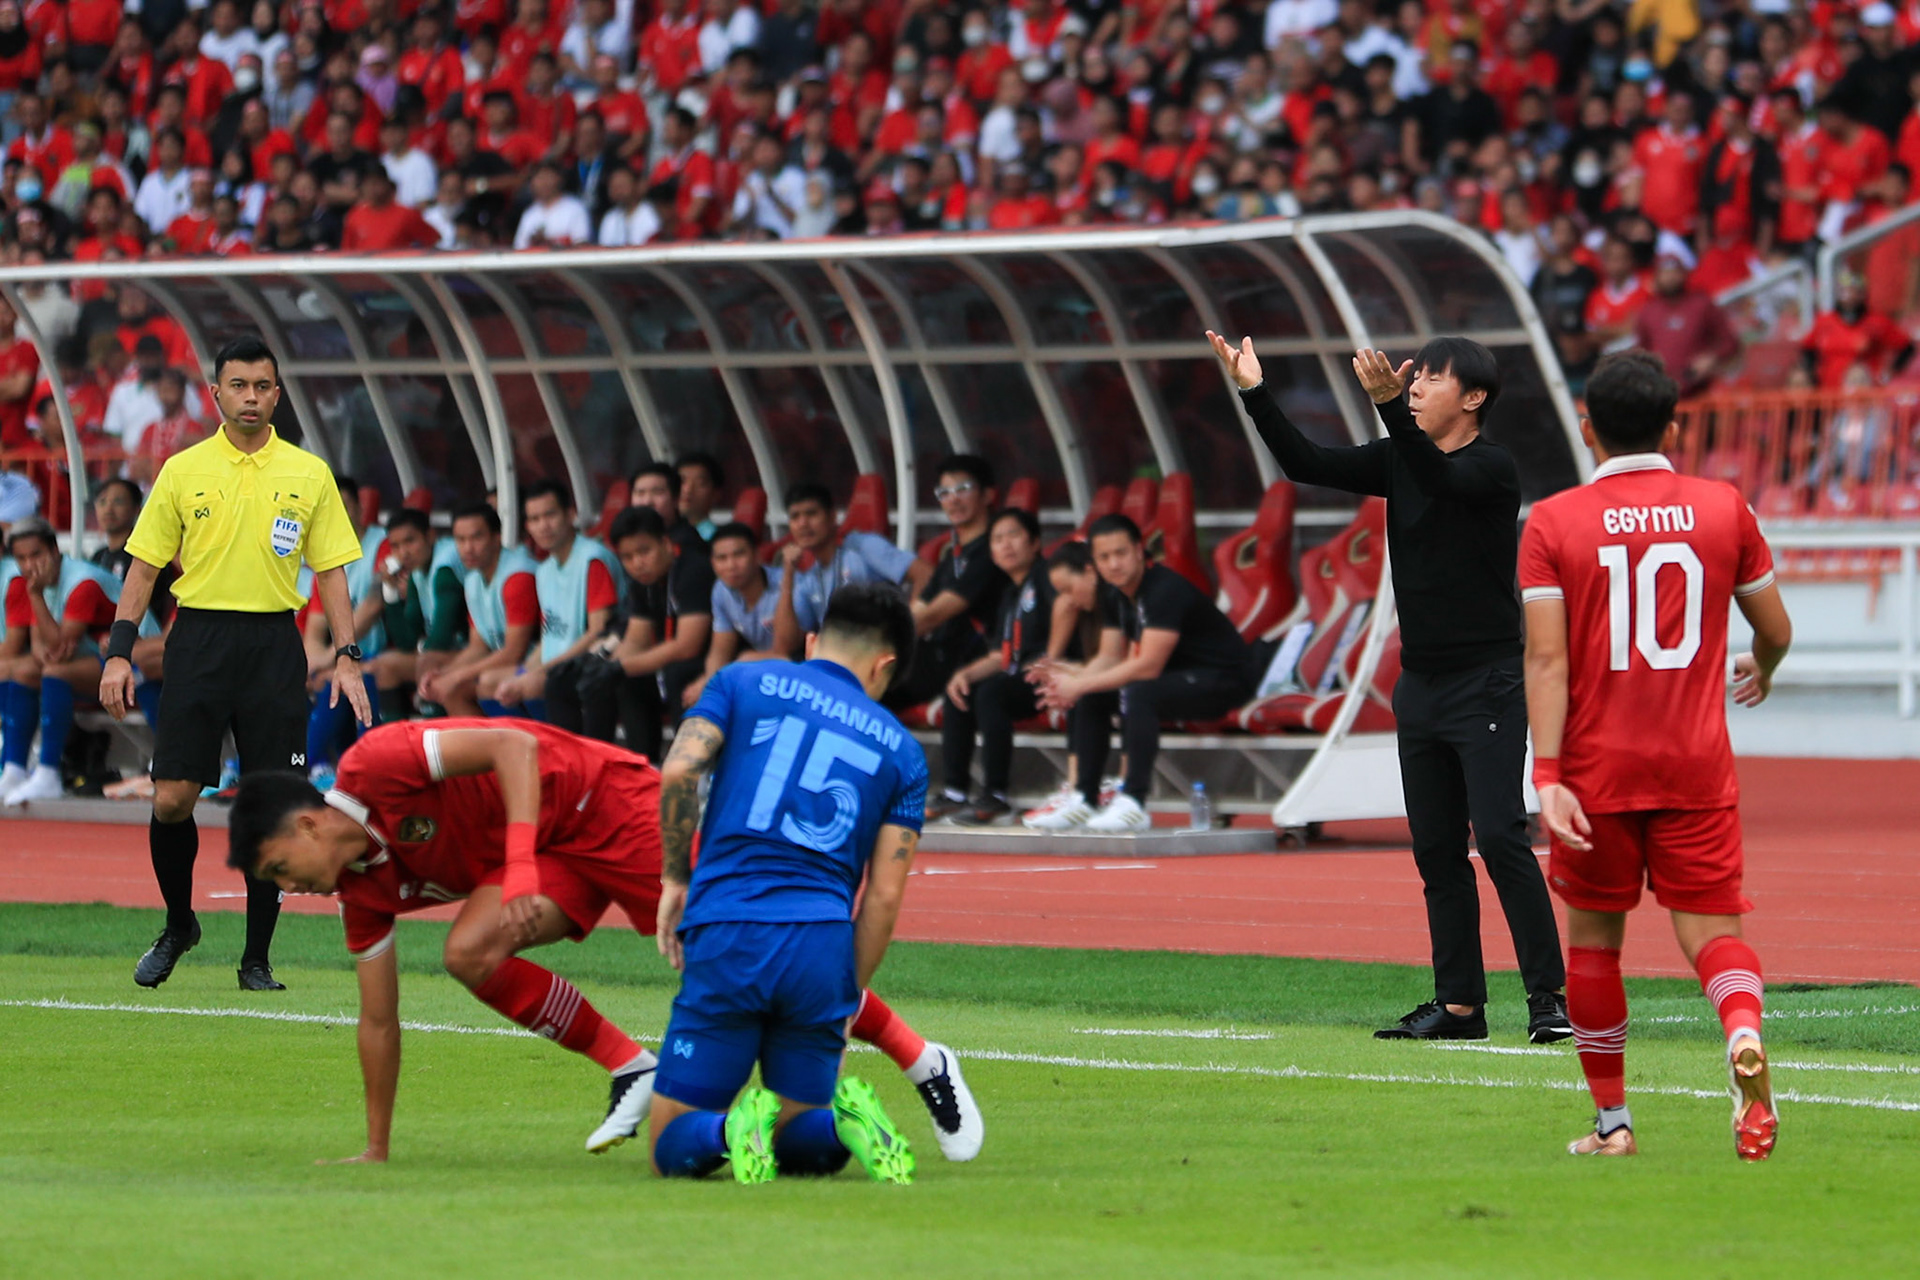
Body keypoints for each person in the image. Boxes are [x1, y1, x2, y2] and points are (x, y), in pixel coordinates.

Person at [1209, 329, 1570, 1045]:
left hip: (1486, 681)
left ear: (1473, 399)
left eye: (1430, 379)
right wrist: (1254, 389)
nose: (1415, 386)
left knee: (1499, 836)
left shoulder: (1493, 468)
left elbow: (1440, 478)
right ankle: (1461, 1007)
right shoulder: (1401, 455)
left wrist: (1388, 415)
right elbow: (1302, 460)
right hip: (1424, 685)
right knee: (1435, 848)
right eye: (1413, 379)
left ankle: (1548, 1001)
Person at [1519, 350, 1792, 1160]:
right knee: (1712, 933)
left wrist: (1546, 773)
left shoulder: (1554, 521)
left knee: (1595, 943)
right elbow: (1774, 630)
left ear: (1586, 425)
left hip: (1597, 772)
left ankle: (1614, 1124)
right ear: (1674, 426)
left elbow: (1546, 660)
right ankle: (1741, 1031)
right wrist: (1764, 668)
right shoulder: (1722, 507)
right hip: (1696, 765)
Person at [649, 582, 979, 1182]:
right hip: (820, 946)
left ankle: (727, 1130)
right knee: (802, 1150)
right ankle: (844, 1125)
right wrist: (847, 992)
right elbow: (883, 895)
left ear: (810, 642)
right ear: (884, 666)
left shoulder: (740, 682)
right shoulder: (903, 753)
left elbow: (679, 770)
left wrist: (675, 878)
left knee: (671, 1143)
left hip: (729, 929)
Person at [225, 720, 668, 1162]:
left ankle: (713, 1092)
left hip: (602, 799)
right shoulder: (360, 897)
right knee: (469, 953)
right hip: (550, 852)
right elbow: (378, 1021)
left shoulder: (376, 763)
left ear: (307, 827)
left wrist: (517, 865)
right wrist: (376, 1149)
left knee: (713, 944)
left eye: (279, 868)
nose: (288, 884)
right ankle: (632, 1066)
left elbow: (512, 745)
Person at [99, 335, 373, 993]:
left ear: (277, 394)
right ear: (216, 392)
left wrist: (347, 657)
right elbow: (143, 568)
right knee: (172, 798)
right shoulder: (182, 469)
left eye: (262, 386)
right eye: (239, 385)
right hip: (198, 642)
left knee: (270, 803)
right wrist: (118, 653)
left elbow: (332, 571)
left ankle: (256, 959)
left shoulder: (308, 473)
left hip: (274, 647)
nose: (251, 397)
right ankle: (177, 925)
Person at [1029, 514, 1256, 832]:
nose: (1114, 564)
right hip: (1177, 679)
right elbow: (1114, 659)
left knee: (1139, 691)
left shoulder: (1163, 589)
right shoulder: (1118, 594)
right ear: (1094, 561)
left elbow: (1147, 665)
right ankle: (1083, 799)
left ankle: (1133, 801)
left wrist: (1078, 683)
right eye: (1104, 557)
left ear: (1139, 551)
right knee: (1095, 696)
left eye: (1121, 553)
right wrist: (1075, 681)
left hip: (1223, 680)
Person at [0, 516, 161, 805]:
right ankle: (13, 768)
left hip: (140, 663)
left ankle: (48, 772)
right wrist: (43, 639)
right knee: (25, 671)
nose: (29, 566)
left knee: (55, 672)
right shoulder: (39, 582)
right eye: (21, 558)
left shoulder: (82, 583)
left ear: (54, 551)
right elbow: (42, 648)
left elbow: (62, 648)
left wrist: (35, 596)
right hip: (100, 663)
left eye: (36, 554)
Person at [547, 506, 712, 758]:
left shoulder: (692, 569)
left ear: (665, 543)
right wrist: (601, 664)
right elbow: (637, 639)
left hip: (707, 663)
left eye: (644, 551)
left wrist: (620, 667)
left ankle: (682, 767)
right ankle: (615, 762)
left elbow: (687, 645)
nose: (637, 563)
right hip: (670, 663)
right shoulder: (642, 581)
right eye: (627, 556)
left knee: (670, 672)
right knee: (608, 678)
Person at [940, 508, 1057, 826]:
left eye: (1014, 536)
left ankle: (997, 795)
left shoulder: (1048, 578)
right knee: (960, 690)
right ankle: (954, 792)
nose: (1006, 545)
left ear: (1035, 543)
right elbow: (999, 656)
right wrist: (964, 675)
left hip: (1049, 676)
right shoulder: (1008, 593)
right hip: (1017, 676)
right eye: (997, 539)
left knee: (992, 694)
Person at [891, 456, 1009, 739]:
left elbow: (931, 617)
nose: (953, 500)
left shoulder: (991, 552)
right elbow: (918, 609)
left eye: (963, 489)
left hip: (970, 663)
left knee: (865, 688)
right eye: (944, 493)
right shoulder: (953, 555)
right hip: (936, 659)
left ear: (988, 495)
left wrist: (875, 640)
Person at [482, 480, 618, 715]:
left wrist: (537, 674)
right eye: (534, 520)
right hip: (555, 667)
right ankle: (516, 751)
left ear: (570, 514)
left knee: (533, 685)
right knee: (489, 683)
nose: (543, 526)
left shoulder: (592, 560)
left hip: (589, 664)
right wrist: (525, 672)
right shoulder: (544, 570)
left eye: (550, 515)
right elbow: (550, 637)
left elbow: (598, 632)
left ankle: (546, 751)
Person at [418, 502, 540, 719]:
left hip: (535, 664)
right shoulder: (473, 579)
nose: (468, 548)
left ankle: (508, 747)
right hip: (506, 665)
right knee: (449, 685)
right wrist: (446, 674)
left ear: (496, 538)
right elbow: (478, 647)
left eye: (476, 538)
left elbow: (514, 653)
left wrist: (456, 677)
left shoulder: (518, 577)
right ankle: (480, 751)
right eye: (460, 540)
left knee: (483, 682)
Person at [774, 482, 929, 643]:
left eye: (811, 514)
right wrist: (788, 574)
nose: (803, 524)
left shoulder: (862, 546)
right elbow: (785, 644)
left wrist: (904, 635)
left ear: (832, 517)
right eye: (795, 517)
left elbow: (924, 574)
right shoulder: (809, 578)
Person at [685, 521, 800, 709]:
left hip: (801, 663)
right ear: (713, 564)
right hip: (761, 665)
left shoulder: (787, 583)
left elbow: (784, 651)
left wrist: (742, 662)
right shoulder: (721, 590)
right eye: (722, 558)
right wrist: (709, 683)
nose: (731, 565)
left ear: (757, 556)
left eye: (739, 555)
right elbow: (720, 650)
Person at [1631, 252, 1741, 398]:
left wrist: (1711, 357)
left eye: (1675, 272)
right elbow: (1642, 350)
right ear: (1657, 277)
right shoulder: (1648, 311)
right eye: (1665, 273)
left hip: (1700, 390)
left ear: (1684, 274)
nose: (1670, 278)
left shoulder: (1701, 304)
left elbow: (1729, 341)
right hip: (1662, 393)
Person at [676, 452, 724, 541]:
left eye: (700, 483)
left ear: (716, 494)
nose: (687, 490)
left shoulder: (717, 539)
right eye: (682, 481)